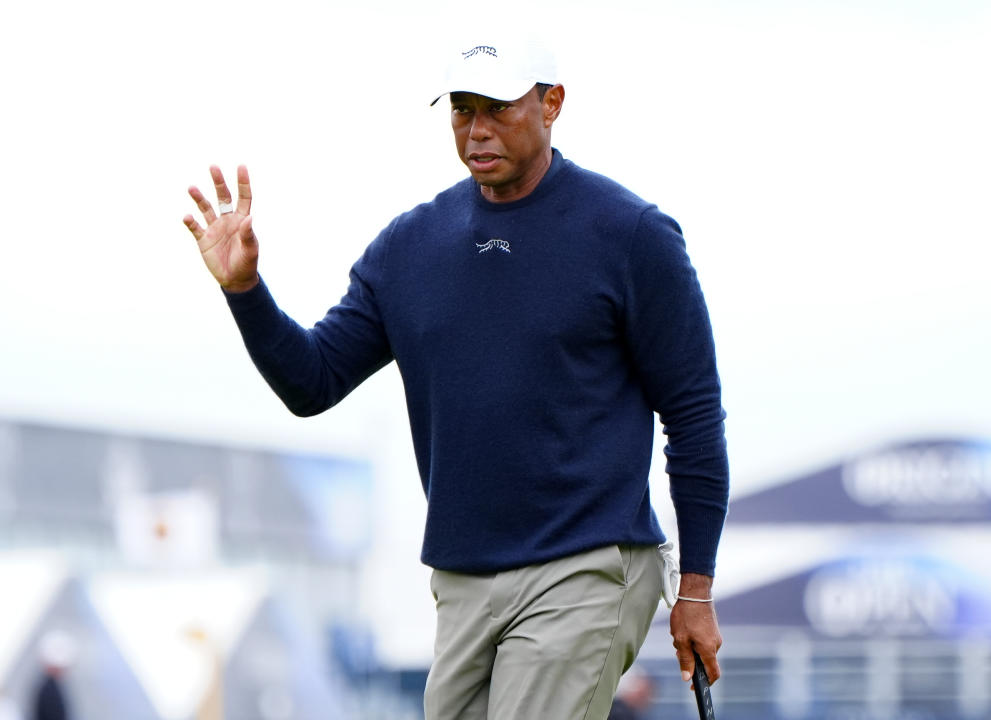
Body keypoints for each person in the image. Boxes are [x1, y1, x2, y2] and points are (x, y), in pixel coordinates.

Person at [183, 37, 728, 720]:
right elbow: (312, 382)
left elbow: (694, 415)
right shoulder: (410, 247)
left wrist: (696, 592)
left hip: (586, 566)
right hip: (461, 581)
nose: (477, 131)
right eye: (462, 111)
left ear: (551, 103)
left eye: (497, 109)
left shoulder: (630, 235)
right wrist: (246, 291)